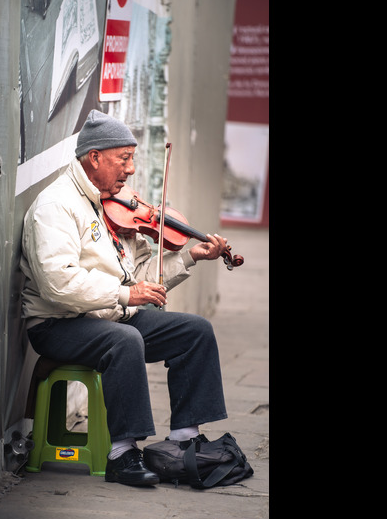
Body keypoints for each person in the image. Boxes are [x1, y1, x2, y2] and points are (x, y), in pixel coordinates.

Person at [19, 109, 230, 486]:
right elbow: (57, 283)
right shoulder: (56, 207)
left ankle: (184, 440)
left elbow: (140, 279)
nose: (131, 170)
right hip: (59, 323)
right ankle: (122, 453)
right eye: (124, 159)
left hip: (111, 314)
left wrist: (188, 257)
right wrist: (124, 294)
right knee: (125, 339)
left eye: (132, 159)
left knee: (195, 331)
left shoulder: (116, 205)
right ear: (94, 157)